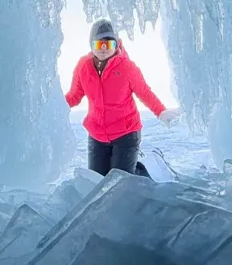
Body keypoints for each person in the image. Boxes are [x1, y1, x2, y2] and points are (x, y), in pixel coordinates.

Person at [64, 19, 180, 176]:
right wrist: (55, 106)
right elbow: (75, 95)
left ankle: (141, 172)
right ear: (91, 45)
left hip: (125, 134)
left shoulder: (127, 67)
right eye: (99, 44)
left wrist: (161, 112)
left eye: (109, 44)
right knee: (98, 180)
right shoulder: (83, 66)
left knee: (121, 180)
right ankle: (134, 166)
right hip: (97, 135)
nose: (104, 49)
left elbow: (144, 92)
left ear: (116, 44)